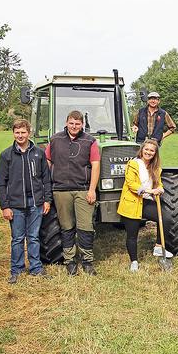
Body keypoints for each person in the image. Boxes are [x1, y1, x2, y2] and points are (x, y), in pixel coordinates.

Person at [0, 119, 52, 284]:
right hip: (16, 204)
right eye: (17, 132)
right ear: (13, 133)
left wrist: (47, 200)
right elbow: (0, 183)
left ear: (29, 133)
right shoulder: (7, 155)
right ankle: (17, 269)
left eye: (23, 132)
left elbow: (46, 179)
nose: (20, 136)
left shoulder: (38, 153)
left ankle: (36, 268)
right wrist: (5, 206)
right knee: (18, 238)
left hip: (36, 202)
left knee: (34, 237)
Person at [45, 110, 100, 276]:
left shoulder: (90, 141)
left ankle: (87, 261)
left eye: (77, 123)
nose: (74, 126)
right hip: (60, 190)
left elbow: (95, 165)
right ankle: (70, 260)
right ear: (67, 123)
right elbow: (47, 160)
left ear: (82, 124)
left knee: (85, 227)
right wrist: (51, 180)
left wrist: (91, 189)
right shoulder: (55, 139)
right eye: (71, 123)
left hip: (83, 190)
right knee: (66, 226)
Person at [117, 139, 173, 272]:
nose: (148, 152)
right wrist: (149, 190)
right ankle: (134, 261)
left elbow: (158, 183)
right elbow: (131, 184)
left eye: (152, 151)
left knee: (165, 218)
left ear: (155, 153)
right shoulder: (133, 164)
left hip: (146, 202)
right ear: (142, 150)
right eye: (146, 149)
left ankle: (159, 246)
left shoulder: (156, 168)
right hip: (132, 202)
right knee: (132, 234)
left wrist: (160, 188)